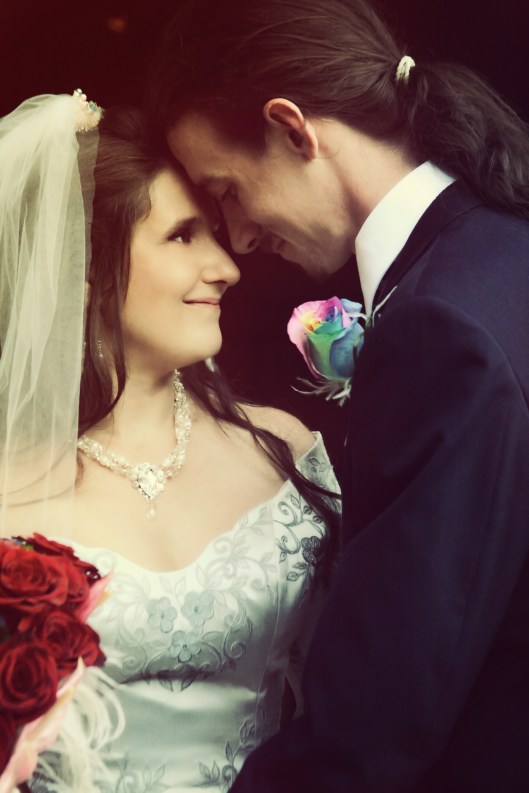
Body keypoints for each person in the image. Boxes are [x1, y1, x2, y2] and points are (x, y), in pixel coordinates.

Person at [146, 0, 529, 791]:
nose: (239, 239)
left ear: (292, 130)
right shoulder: (501, 249)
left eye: (226, 191)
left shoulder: (436, 327)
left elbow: (376, 725)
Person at [0, 90, 340, 791]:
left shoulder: (282, 450)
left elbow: (359, 689)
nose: (227, 266)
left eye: (214, 232)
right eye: (183, 236)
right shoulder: (11, 488)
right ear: (83, 271)